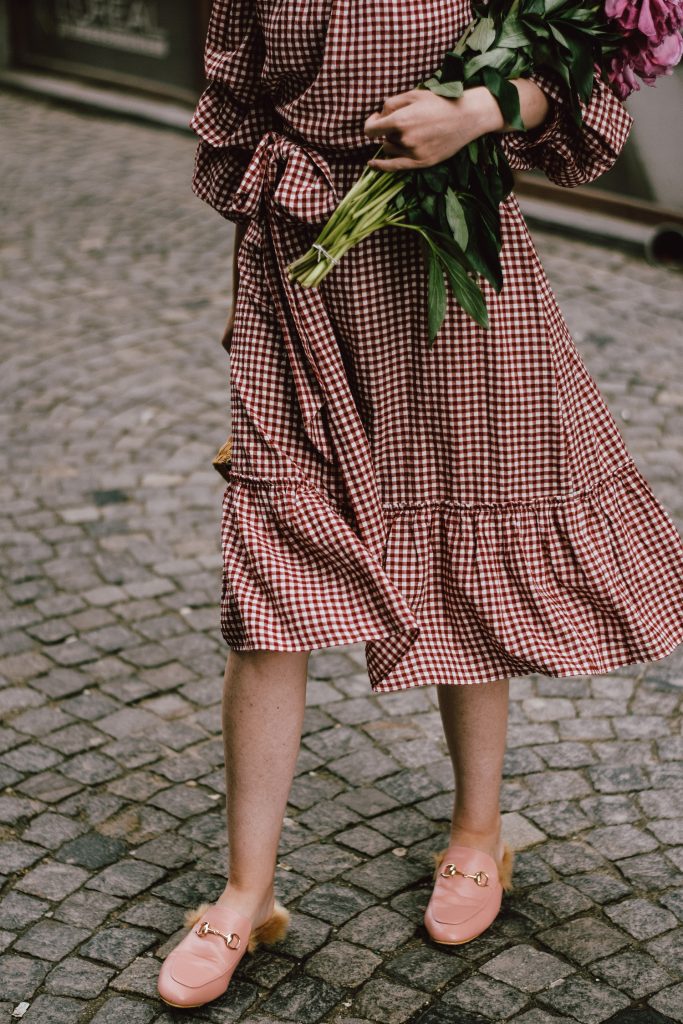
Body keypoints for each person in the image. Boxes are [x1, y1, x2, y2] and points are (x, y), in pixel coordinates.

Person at [156, 0, 683, 1009]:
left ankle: (477, 836)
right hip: (297, 280)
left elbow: (581, 94)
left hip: (450, 271)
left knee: (462, 545)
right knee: (268, 572)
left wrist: (480, 109)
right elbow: (231, 103)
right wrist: (243, 311)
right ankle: (246, 892)